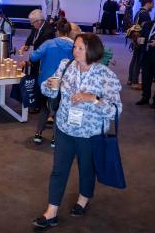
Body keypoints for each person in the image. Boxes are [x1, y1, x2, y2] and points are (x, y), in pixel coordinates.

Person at [33, 33, 122, 229]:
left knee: (86, 169)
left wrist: (93, 99)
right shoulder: (66, 65)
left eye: (80, 48)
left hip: (90, 132)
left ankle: (84, 198)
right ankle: (51, 212)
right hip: (64, 127)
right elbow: (49, 91)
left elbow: (116, 110)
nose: (75, 51)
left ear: (92, 51)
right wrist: (49, 85)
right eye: (75, 47)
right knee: (58, 170)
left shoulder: (106, 76)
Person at [29, 19, 74, 146]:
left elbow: (33, 57)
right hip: (65, 83)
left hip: (46, 82)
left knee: (44, 108)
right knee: (60, 109)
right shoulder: (75, 46)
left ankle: (38, 134)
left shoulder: (49, 43)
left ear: (57, 31)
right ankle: (55, 137)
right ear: (69, 32)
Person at [19, 9, 56, 113]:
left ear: (39, 21)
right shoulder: (36, 26)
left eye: (32, 23)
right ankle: (35, 102)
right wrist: (26, 45)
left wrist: (30, 61)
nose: (31, 25)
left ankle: (39, 105)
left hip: (44, 59)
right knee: (34, 76)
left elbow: (42, 49)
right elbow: (32, 36)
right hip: (37, 56)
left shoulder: (48, 31)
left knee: (40, 80)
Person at [128, 0, 153, 89]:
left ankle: (130, 79)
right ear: (148, 3)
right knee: (138, 60)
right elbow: (146, 29)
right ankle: (134, 82)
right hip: (141, 39)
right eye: (152, 4)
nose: (153, 6)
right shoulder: (145, 14)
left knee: (135, 59)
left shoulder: (139, 12)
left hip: (136, 38)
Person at [135, 17, 155, 107]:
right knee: (146, 77)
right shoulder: (147, 24)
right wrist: (138, 40)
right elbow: (141, 36)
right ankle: (145, 97)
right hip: (146, 55)